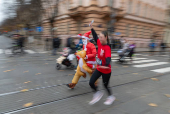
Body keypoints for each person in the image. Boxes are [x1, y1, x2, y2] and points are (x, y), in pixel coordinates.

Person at [88, 23, 115, 105]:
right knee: (91, 82)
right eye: (99, 37)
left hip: (106, 71)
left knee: (105, 85)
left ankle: (111, 97)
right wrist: (92, 28)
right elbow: (95, 36)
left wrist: (106, 65)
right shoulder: (99, 42)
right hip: (99, 68)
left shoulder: (107, 48)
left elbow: (108, 59)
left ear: (106, 37)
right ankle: (97, 93)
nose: (99, 39)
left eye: (101, 37)